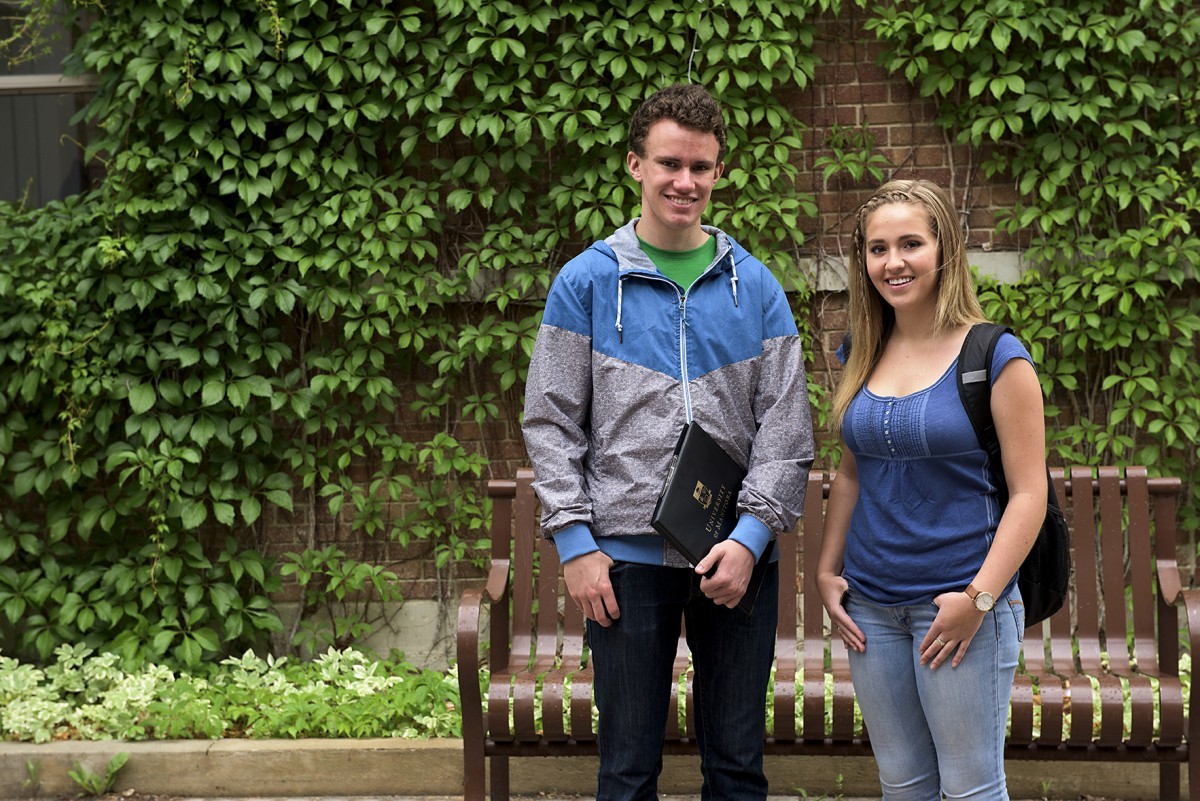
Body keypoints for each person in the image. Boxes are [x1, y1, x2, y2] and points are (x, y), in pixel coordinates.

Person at [522, 83, 815, 801]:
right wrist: (576, 544)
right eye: (669, 163)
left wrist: (750, 539)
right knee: (626, 772)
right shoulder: (586, 282)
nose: (685, 182)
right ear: (635, 165)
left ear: (720, 172)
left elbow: (787, 431)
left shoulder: (759, 287)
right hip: (622, 562)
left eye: (702, 167)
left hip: (736, 559)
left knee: (739, 768)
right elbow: (550, 421)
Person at [816, 179, 1047, 801]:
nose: (893, 262)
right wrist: (827, 569)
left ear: (944, 250)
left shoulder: (996, 355)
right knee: (904, 785)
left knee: (970, 788)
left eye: (911, 244)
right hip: (872, 611)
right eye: (876, 248)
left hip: (959, 607)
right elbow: (851, 472)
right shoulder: (860, 351)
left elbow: (1030, 494)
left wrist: (978, 598)